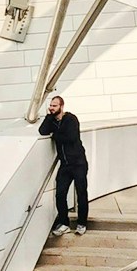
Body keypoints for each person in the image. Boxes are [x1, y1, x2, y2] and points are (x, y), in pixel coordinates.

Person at [39, 94, 89, 236]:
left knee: (81, 193)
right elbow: (42, 131)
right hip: (65, 165)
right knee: (60, 194)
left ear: (61, 106)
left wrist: (56, 135)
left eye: (54, 106)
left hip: (79, 163)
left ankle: (82, 223)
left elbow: (71, 137)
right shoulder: (53, 120)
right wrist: (49, 116)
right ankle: (64, 223)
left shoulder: (71, 119)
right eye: (51, 105)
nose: (51, 108)